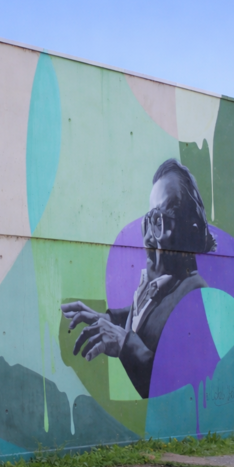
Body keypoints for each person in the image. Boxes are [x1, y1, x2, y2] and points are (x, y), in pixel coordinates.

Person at [61, 159, 217, 398]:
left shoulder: (195, 296)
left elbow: (173, 381)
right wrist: (107, 319)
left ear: (191, 231)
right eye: (147, 220)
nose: (147, 237)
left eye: (158, 221)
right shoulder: (162, 286)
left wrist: (123, 343)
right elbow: (146, 315)